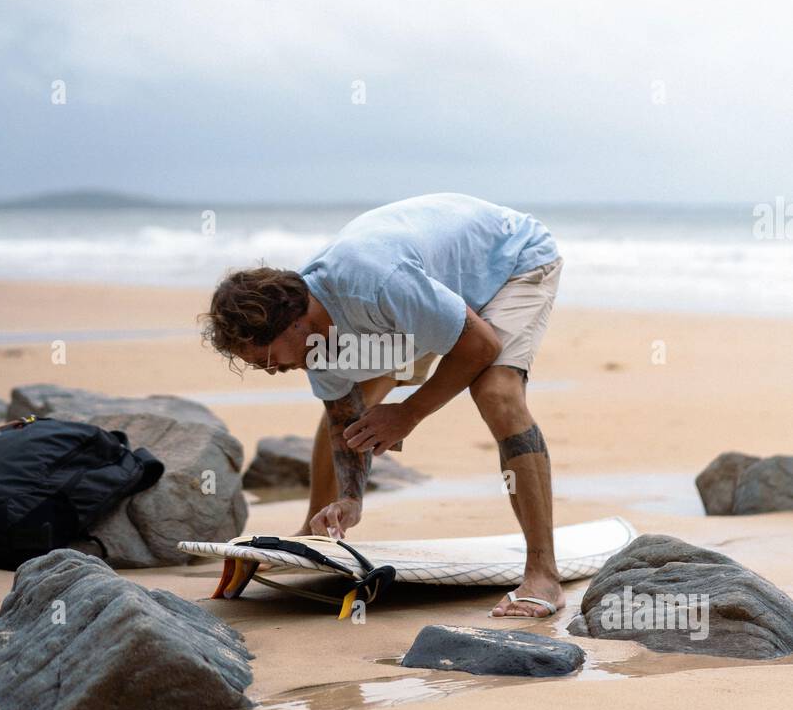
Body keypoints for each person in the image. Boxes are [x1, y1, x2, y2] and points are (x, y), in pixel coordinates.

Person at [203, 193, 564, 618]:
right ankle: (314, 532)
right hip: (429, 298)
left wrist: (407, 414)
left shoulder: (375, 281)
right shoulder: (313, 341)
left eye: (265, 357)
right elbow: (344, 418)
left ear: (295, 322)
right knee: (351, 406)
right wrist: (352, 500)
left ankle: (544, 573)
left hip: (512, 261)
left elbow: (480, 345)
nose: (268, 370)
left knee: (495, 392)